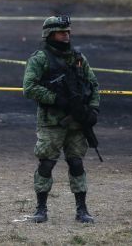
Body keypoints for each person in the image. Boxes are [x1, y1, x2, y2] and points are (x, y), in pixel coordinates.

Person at [23, 15, 100, 224]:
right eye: (61, 32)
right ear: (50, 34)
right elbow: (29, 88)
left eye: (68, 32)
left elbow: (93, 84)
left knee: (76, 162)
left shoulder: (78, 58)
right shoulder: (40, 58)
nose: (66, 35)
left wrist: (93, 109)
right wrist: (56, 99)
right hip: (51, 122)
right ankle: (41, 209)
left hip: (77, 122)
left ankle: (82, 210)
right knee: (46, 163)